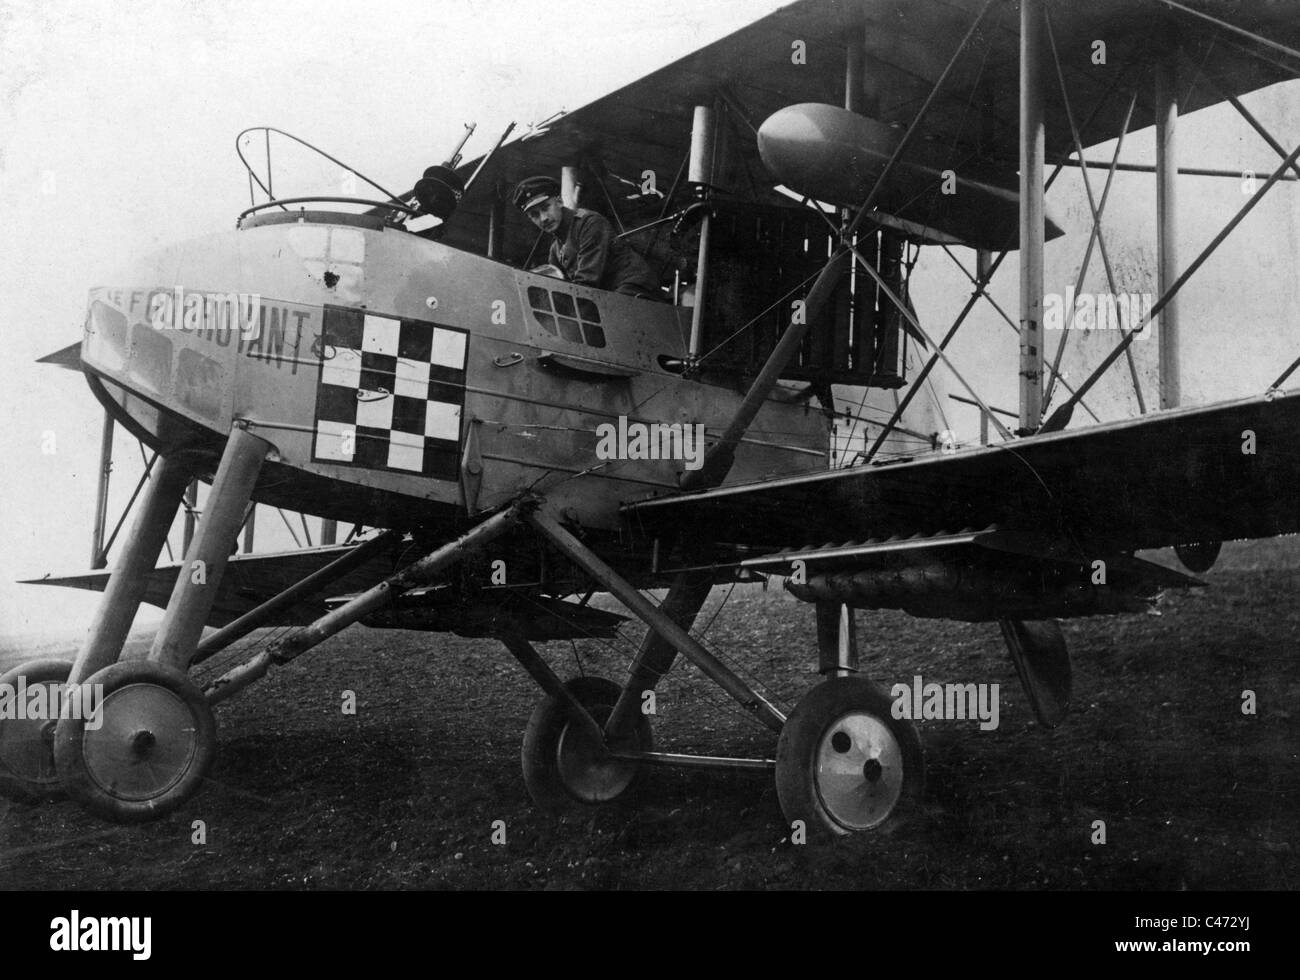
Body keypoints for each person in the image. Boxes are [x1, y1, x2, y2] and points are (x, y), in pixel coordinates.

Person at [512, 176, 661, 300]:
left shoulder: (589, 223)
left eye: (546, 208)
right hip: (609, 296)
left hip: (635, 288)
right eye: (535, 215)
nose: (543, 218)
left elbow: (586, 283)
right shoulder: (555, 250)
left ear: (559, 201)